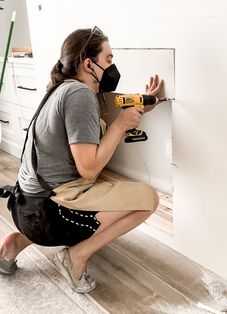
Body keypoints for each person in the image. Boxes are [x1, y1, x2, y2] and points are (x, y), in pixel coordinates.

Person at [0, 26, 163, 293]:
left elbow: (96, 125)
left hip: (24, 209)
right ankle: (75, 256)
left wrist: (141, 105)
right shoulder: (80, 95)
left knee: (99, 182)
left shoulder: (62, 90)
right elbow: (88, 170)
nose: (112, 66)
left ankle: (16, 242)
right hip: (48, 215)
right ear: (89, 63)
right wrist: (120, 126)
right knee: (149, 199)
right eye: (108, 59)